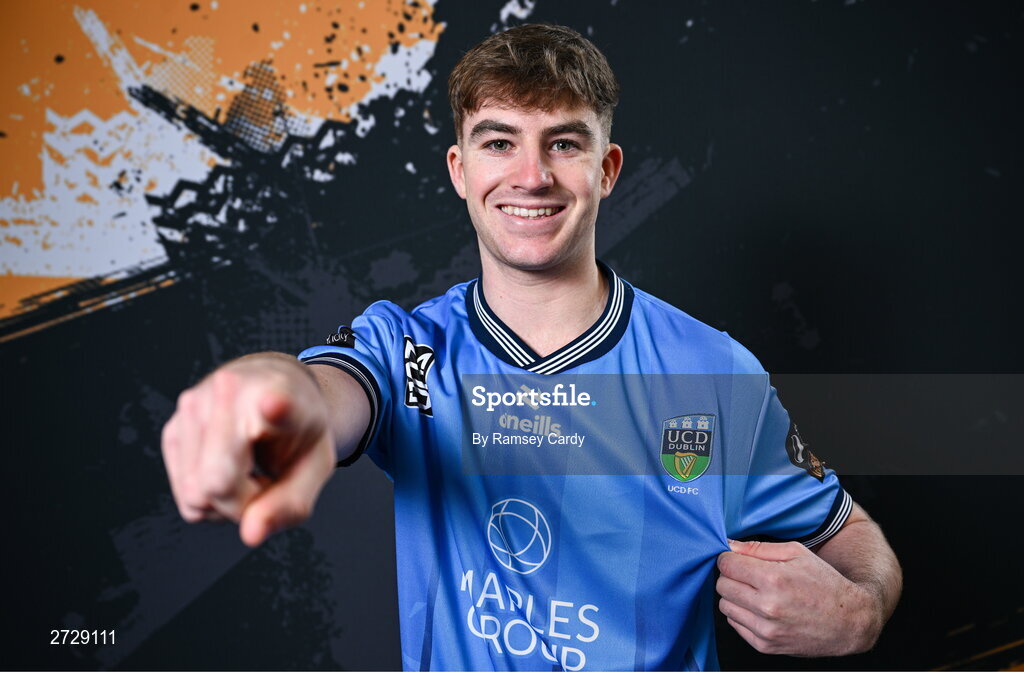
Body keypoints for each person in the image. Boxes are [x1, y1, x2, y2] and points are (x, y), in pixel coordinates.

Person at [161, 24, 901, 670]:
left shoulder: (712, 372)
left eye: (565, 143)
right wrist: (266, 394)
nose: (532, 176)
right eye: (499, 142)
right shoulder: (408, 351)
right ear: (461, 171)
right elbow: (318, 392)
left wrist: (859, 613)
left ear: (607, 171)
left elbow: (852, 536)